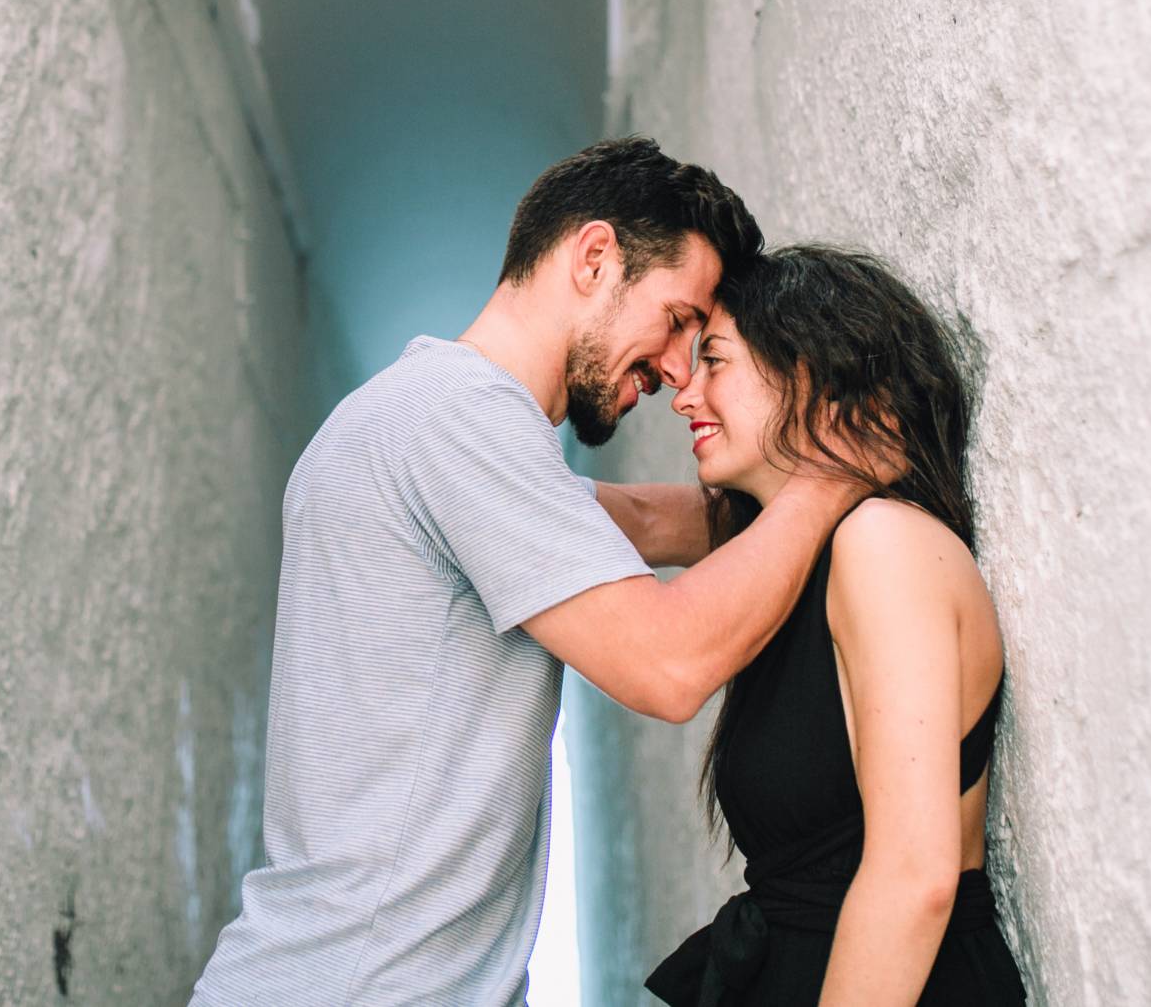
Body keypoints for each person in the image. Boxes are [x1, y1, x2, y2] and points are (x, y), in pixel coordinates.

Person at [189, 140, 868, 1006]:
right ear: (595, 258)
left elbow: (647, 518)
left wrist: (779, 468)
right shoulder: (459, 418)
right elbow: (667, 665)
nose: (676, 370)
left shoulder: (429, 419)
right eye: (676, 319)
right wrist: (830, 477)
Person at [621, 245, 1028, 1006]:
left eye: (716, 360)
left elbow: (915, 877)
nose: (684, 396)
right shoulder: (793, 550)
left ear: (811, 372)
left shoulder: (884, 543)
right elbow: (631, 519)